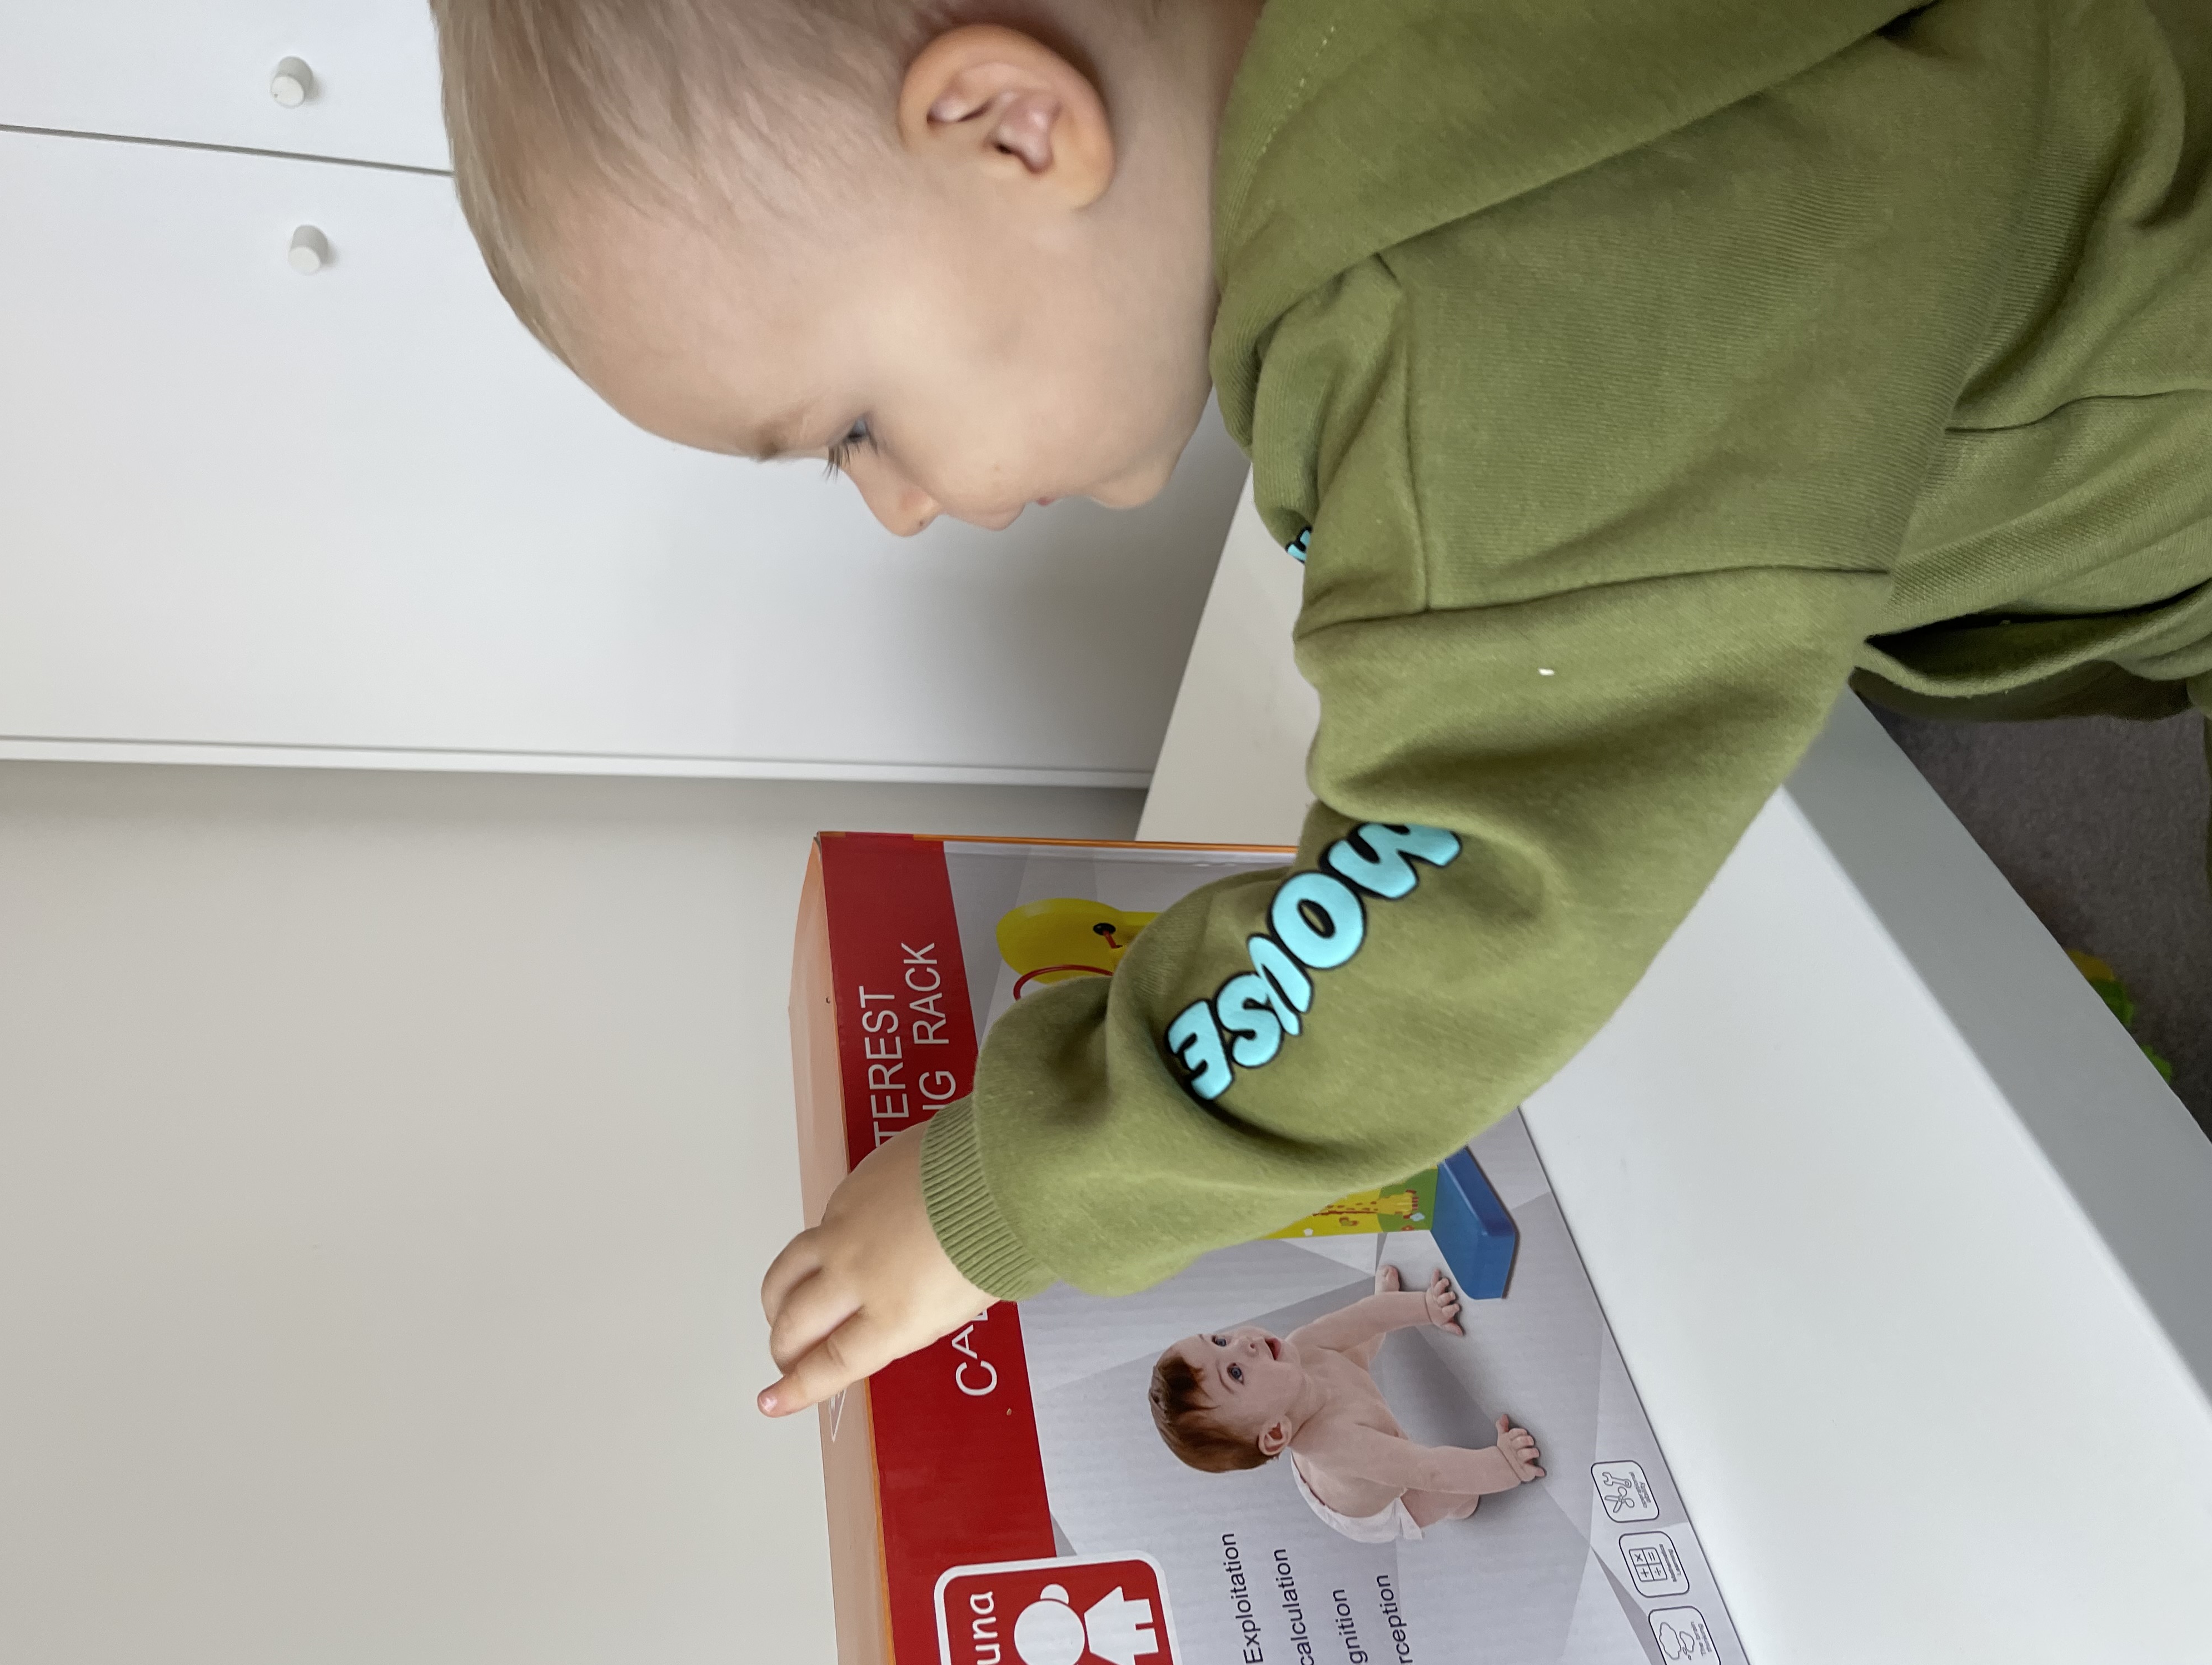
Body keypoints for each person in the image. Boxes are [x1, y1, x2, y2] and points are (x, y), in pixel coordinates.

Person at [422, 0, 2212, 1419]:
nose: (897, 505)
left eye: (855, 430)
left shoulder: (1471, 329)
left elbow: (1452, 917)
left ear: (1012, 127)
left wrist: (1002, 1197)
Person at [1150, 1265, 1544, 1544]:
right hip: (1380, 1507)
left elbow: (1364, 1318)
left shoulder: (1298, 1347)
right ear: (1274, 1432)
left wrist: (1426, 1308)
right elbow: (1432, 1471)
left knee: (1352, 1350)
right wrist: (1504, 1465)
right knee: (1451, 1493)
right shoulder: (1342, 1446)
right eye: (1236, 1373)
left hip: (1322, 1417)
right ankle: (1463, 1510)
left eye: (1220, 1340)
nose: (1243, 1343)